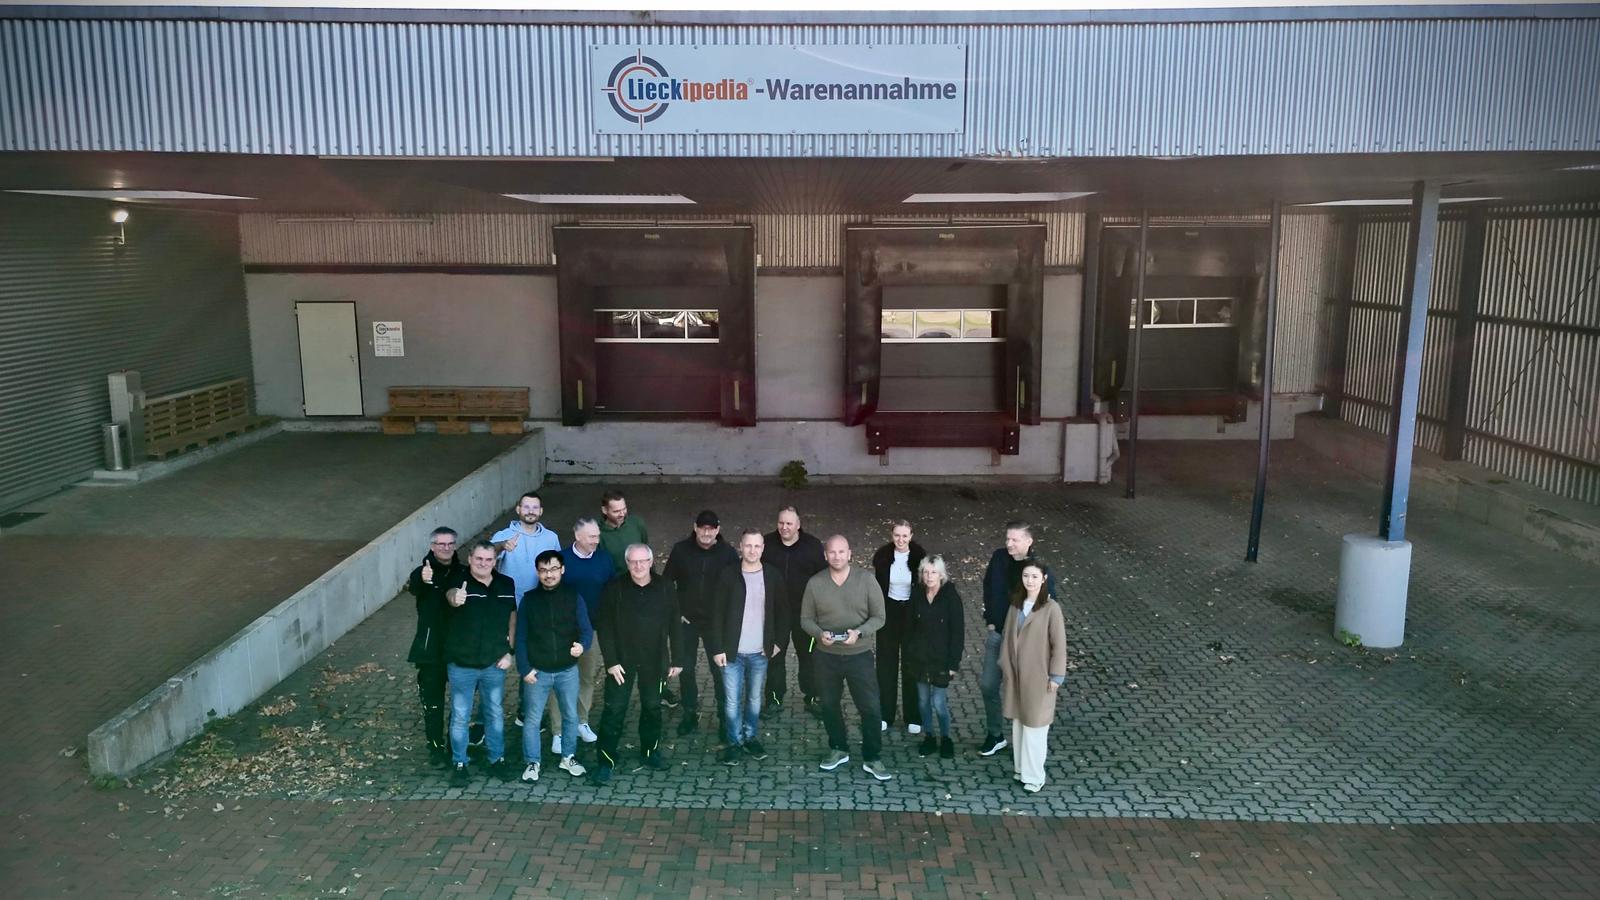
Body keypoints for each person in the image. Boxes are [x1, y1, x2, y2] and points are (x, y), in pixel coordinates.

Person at [800, 535, 892, 781]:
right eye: (832, 552)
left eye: (842, 551)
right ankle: (838, 748)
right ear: (825, 555)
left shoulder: (866, 580)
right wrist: (819, 634)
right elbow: (805, 619)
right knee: (829, 705)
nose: (837, 556)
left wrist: (859, 632)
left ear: (850, 554)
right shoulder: (815, 583)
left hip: (859, 655)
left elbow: (880, 617)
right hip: (826, 656)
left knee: (870, 707)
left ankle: (872, 756)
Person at [592, 543, 684, 786]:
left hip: (655, 660)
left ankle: (650, 751)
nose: (638, 566)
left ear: (651, 562)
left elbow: (675, 622)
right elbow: (604, 626)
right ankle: (605, 761)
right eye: (633, 561)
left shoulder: (665, 587)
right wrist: (611, 662)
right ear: (627, 563)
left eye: (643, 561)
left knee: (652, 708)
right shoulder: (614, 588)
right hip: (621, 663)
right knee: (614, 710)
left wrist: (678, 658)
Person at [441, 541, 519, 787]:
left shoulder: (506, 584)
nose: (483, 563)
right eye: (479, 559)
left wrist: (510, 652)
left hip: (494, 662)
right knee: (460, 715)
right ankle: (459, 763)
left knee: (494, 713)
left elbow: (512, 619)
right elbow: (451, 597)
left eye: (488, 559)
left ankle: (497, 759)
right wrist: (455, 597)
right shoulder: (458, 580)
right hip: (462, 664)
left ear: (495, 561)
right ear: (470, 558)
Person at [708, 530, 788, 765]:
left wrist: (778, 643)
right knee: (732, 702)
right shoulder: (728, 575)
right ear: (740, 547)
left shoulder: (772, 575)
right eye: (748, 546)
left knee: (754, 699)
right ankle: (734, 743)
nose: (752, 550)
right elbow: (716, 614)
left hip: (760, 652)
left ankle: (750, 737)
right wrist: (717, 648)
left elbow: (784, 612)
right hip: (731, 653)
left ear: (763, 548)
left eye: (757, 546)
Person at [978, 521, 1057, 757]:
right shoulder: (999, 558)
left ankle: (1025, 741)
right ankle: (995, 735)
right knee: (988, 685)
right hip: (999, 634)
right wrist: (991, 620)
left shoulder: (1038, 570)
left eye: (1015, 539)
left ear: (1029, 541)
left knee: (1022, 691)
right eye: (1007, 539)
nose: (1009, 544)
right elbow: (988, 588)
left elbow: (1049, 606)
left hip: (1025, 643)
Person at [515, 549, 592, 783]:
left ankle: (568, 757)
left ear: (562, 570)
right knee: (532, 719)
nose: (549, 575)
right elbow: (521, 638)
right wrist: (524, 669)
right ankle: (532, 762)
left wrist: (582, 646)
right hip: (537, 672)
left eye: (553, 569)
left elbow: (586, 629)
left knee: (570, 716)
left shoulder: (573, 596)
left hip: (567, 670)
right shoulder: (529, 600)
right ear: (537, 572)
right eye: (543, 570)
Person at [663, 509, 738, 736]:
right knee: (686, 670)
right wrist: (676, 612)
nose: (706, 533)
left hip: (716, 624)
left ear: (717, 530)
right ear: (695, 528)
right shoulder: (681, 550)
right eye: (702, 528)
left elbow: (736, 588)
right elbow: (666, 583)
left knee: (720, 671)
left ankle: (724, 719)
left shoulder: (728, 553)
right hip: (687, 622)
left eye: (711, 529)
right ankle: (690, 714)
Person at [546, 517, 614, 752]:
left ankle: (581, 722)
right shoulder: (560, 560)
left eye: (597, 536)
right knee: (559, 680)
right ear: (578, 536)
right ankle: (558, 731)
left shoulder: (604, 559)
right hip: (562, 631)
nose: (596, 540)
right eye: (592, 536)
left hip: (591, 631)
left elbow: (610, 592)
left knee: (586, 678)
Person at [1000, 559, 1067, 793]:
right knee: (1019, 724)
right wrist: (1005, 666)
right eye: (1026, 576)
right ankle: (1021, 769)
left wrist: (1056, 676)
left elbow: (1059, 645)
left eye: (1035, 576)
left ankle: (1035, 776)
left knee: (1035, 727)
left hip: (1039, 677)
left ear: (1044, 579)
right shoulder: (1016, 605)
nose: (1030, 581)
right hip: (1016, 675)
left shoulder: (1051, 608)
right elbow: (1007, 637)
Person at [406, 526, 464, 768]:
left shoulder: (463, 571)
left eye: (450, 543)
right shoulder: (423, 571)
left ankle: (455, 745)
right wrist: (423, 578)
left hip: (458, 648)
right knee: (433, 703)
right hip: (430, 651)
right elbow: (414, 587)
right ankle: (435, 747)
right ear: (432, 546)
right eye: (441, 544)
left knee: (460, 704)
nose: (446, 548)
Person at [761, 506, 827, 715]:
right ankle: (774, 700)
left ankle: (813, 698)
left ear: (798, 525)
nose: (784, 527)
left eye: (789, 523)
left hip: (805, 614)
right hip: (775, 613)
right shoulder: (766, 544)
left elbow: (823, 578)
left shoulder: (812, 546)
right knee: (774, 658)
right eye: (781, 523)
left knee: (809, 658)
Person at [906, 555, 964, 760]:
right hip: (920, 659)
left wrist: (953, 663)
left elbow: (957, 632)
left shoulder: (951, 597)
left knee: (939, 703)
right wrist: (911, 652)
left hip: (941, 660)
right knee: (922, 702)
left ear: (941, 575)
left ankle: (946, 738)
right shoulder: (917, 594)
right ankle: (929, 736)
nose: (929, 576)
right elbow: (909, 626)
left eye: (933, 572)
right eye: (926, 572)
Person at [871, 520, 926, 735]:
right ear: (891, 535)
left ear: (911, 536)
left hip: (911, 614)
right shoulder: (883, 557)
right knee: (886, 665)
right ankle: (885, 714)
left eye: (904, 536)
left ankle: (913, 716)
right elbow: (878, 588)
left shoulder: (920, 558)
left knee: (911, 663)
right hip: (889, 613)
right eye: (897, 535)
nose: (900, 540)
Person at [491, 491, 562, 602]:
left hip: (542, 601)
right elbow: (487, 554)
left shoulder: (551, 537)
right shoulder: (503, 535)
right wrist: (502, 545)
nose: (531, 511)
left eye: (535, 507)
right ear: (518, 509)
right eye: (526, 507)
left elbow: (558, 569)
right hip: (510, 602)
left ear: (541, 511)